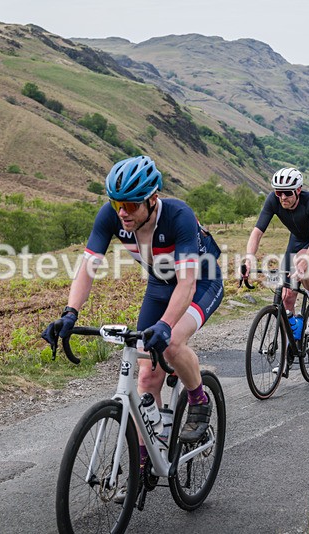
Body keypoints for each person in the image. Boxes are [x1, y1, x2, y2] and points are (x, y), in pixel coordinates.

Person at [41, 155, 224, 469]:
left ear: (152, 200)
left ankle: (198, 399)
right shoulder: (112, 216)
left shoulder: (178, 215)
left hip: (201, 282)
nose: (123, 213)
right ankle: (144, 462)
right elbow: (87, 268)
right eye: (116, 205)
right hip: (158, 284)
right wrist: (70, 313)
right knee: (146, 373)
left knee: (171, 343)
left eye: (131, 205)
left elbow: (187, 284)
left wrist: (166, 324)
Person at [242, 167, 309, 346]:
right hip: (297, 240)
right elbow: (257, 233)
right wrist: (248, 259)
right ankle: (292, 345)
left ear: (298, 190)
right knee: (286, 297)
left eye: (287, 193)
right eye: (279, 192)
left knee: (301, 260)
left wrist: (304, 264)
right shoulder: (273, 200)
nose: (283, 197)